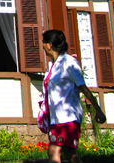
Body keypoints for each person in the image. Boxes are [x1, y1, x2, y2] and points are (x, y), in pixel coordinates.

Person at [42, 29, 106, 163]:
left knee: (54, 151)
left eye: (43, 42)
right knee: (70, 154)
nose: (42, 46)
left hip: (68, 117)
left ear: (50, 44)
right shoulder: (53, 66)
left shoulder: (69, 63)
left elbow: (83, 87)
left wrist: (98, 110)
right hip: (57, 118)